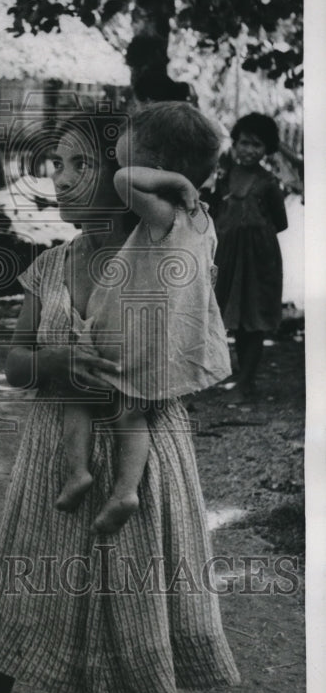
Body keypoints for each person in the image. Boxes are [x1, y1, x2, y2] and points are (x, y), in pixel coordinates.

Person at [0, 110, 240, 693]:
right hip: (55, 457)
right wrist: (55, 360)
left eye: (82, 165)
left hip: (147, 455)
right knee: (16, 588)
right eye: (58, 164)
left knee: (145, 607)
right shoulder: (51, 267)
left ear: (123, 178)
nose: (61, 178)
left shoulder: (170, 253)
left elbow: (182, 344)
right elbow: (15, 364)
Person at [56, 103, 231, 533]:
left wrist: (170, 180)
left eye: (123, 151)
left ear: (154, 166)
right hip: (168, 340)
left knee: (80, 396)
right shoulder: (202, 220)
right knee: (130, 413)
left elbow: (121, 180)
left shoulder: (162, 213)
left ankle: (80, 471)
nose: (117, 159)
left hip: (133, 335)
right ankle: (125, 490)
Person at [207, 112, 288, 400]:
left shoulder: (268, 183)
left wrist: (253, 234)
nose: (249, 150)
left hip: (258, 259)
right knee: (233, 316)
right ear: (236, 142)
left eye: (257, 145)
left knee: (252, 319)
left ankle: (246, 381)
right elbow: (213, 209)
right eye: (244, 143)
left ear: (267, 149)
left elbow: (281, 222)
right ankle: (236, 377)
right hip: (227, 257)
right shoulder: (223, 176)